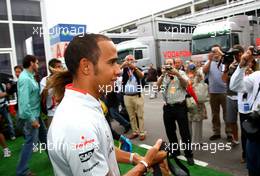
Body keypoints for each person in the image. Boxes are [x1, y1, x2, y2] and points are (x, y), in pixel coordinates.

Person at [47, 34, 166, 176]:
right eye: (112, 62)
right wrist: (145, 163)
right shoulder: (78, 123)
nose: (119, 70)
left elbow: (102, 149)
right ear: (86, 66)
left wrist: (134, 157)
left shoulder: (89, 103)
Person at [230, 48, 260, 176]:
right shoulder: (258, 76)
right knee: (254, 170)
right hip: (256, 132)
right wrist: (242, 65)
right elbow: (235, 86)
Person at [157, 57, 194, 166]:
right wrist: (163, 75)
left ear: (174, 65)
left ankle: (189, 154)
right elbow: (157, 88)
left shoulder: (181, 73)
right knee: (170, 131)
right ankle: (175, 150)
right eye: (166, 64)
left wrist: (177, 74)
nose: (169, 66)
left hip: (180, 107)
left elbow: (186, 85)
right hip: (168, 107)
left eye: (170, 64)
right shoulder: (163, 76)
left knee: (184, 132)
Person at [16, 55, 47, 176]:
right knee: (30, 143)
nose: (38, 65)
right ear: (31, 63)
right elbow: (24, 103)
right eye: (37, 63)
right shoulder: (25, 79)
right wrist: (32, 119)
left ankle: (55, 159)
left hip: (36, 115)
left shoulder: (29, 77)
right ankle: (22, 171)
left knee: (44, 139)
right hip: (32, 117)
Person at [203, 45, 232, 141]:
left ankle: (229, 132)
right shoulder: (209, 62)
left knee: (226, 113)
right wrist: (210, 60)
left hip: (224, 91)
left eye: (216, 51)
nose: (215, 53)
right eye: (213, 51)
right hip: (213, 92)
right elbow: (204, 71)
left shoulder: (225, 61)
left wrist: (221, 56)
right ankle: (216, 132)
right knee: (215, 114)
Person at [222, 45, 244, 145]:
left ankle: (247, 141)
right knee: (231, 121)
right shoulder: (230, 64)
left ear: (241, 54)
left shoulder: (247, 63)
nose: (235, 56)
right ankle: (235, 139)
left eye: (237, 54)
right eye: (233, 54)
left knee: (245, 121)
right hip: (230, 96)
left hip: (243, 97)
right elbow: (224, 79)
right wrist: (227, 67)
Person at [121, 55, 146, 140]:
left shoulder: (138, 69)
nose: (129, 61)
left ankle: (142, 132)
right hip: (127, 96)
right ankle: (135, 131)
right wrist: (122, 65)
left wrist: (134, 68)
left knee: (140, 115)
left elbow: (141, 76)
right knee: (131, 116)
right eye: (127, 60)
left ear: (135, 61)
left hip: (137, 95)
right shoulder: (123, 70)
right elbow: (115, 73)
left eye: (131, 59)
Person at [186, 63, 207, 144]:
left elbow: (202, 80)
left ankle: (198, 140)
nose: (192, 70)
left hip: (198, 101)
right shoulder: (185, 76)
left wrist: (197, 72)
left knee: (198, 121)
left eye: (193, 68)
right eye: (190, 68)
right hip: (189, 101)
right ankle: (191, 140)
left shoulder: (199, 76)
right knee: (189, 121)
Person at [40, 58, 63, 128]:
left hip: (64, 112)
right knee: (53, 136)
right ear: (51, 69)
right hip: (52, 114)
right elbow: (43, 96)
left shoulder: (65, 78)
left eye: (61, 66)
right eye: (58, 67)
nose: (61, 68)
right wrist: (50, 83)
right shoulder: (45, 80)